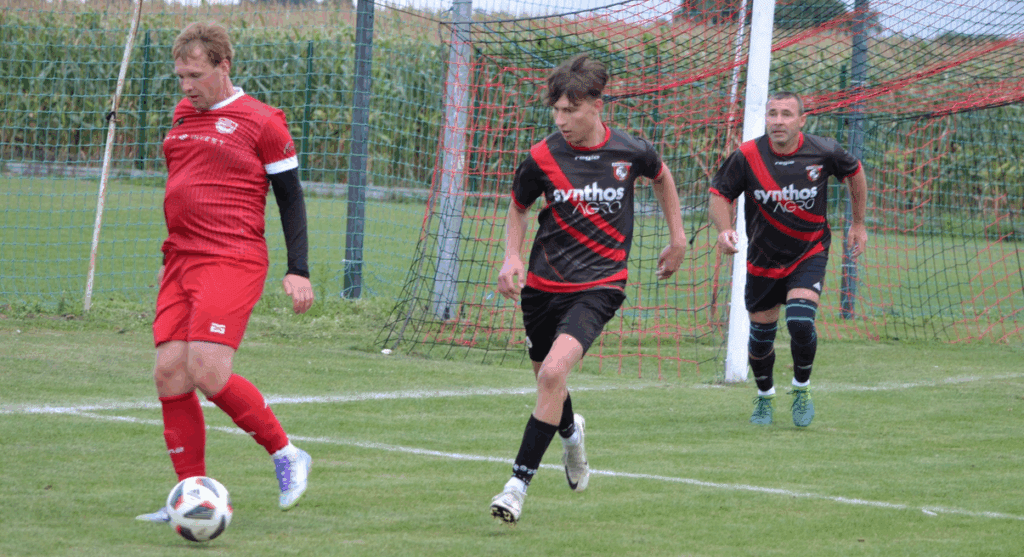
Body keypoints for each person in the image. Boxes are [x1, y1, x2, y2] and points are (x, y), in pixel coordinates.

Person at [489, 54, 688, 525]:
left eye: (570, 110)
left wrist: (678, 237)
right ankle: (571, 436)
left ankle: (516, 487)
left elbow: (662, 176)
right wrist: (512, 255)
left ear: (597, 105)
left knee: (553, 373)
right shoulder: (541, 157)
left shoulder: (630, 151)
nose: (560, 120)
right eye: (556, 110)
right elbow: (518, 207)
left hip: (600, 285)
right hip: (542, 287)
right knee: (548, 380)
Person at [136, 21, 315, 523]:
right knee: (169, 373)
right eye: (180, 76)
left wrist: (298, 269)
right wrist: (170, 261)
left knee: (208, 369)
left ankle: (286, 453)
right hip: (181, 260)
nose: (186, 85)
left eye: (195, 75)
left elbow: (291, 199)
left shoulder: (262, 122)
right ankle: (191, 494)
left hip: (232, 258)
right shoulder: (182, 114)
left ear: (224, 66)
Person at [708, 91, 868, 427]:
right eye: (772, 114)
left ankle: (801, 388)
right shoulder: (748, 155)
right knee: (761, 338)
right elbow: (719, 193)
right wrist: (724, 230)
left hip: (808, 253)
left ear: (801, 121)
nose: (778, 121)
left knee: (799, 321)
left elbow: (855, 171)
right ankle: (765, 396)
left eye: (786, 114)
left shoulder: (823, 151)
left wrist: (858, 223)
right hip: (763, 258)